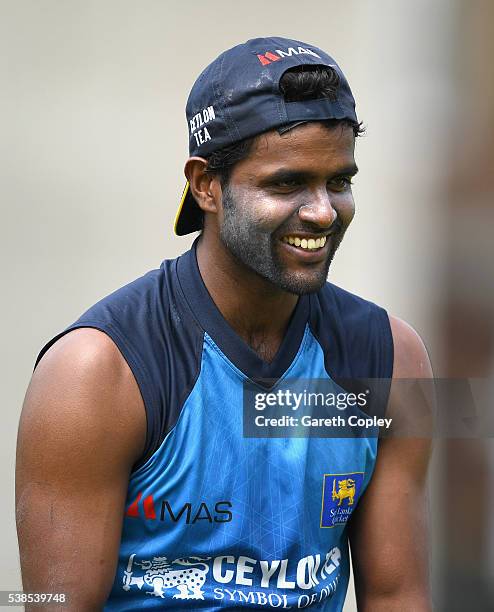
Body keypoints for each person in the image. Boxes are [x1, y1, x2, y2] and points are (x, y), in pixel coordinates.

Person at [16, 36, 432, 610]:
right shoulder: (94, 372)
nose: (323, 211)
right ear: (206, 185)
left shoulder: (391, 357)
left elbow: (398, 594)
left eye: (339, 181)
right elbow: (47, 604)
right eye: (286, 183)